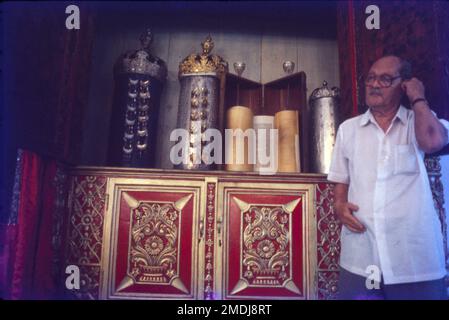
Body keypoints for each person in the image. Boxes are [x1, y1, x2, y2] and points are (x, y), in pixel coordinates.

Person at [328, 55, 449, 300]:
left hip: (414, 259)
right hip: (361, 257)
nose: (374, 85)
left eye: (385, 79)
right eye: (371, 78)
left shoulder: (419, 120)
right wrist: (339, 204)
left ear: (404, 85)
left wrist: (418, 97)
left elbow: (434, 141)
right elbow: (340, 179)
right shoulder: (348, 130)